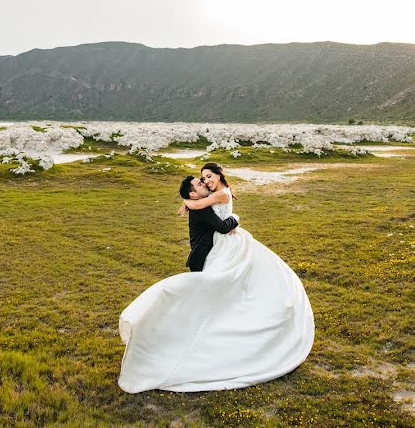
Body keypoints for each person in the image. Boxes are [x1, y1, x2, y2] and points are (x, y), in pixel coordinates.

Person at [117, 163, 314, 394]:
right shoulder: (208, 198)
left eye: (208, 177)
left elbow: (207, 210)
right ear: (194, 191)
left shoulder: (215, 195)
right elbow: (212, 217)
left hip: (223, 244)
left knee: (227, 283)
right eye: (202, 180)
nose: (205, 181)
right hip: (216, 246)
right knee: (221, 285)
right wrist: (196, 205)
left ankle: (221, 320)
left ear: (219, 175)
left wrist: (196, 205)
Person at [178, 175, 239, 271]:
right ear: (193, 194)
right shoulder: (200, 210)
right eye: (200, 184)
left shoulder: (203, 200)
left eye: (202, 181)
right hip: (203, 257)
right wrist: (235, 218)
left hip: (212, 251)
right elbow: (222, 227)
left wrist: (185, 201)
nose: (204, 184)